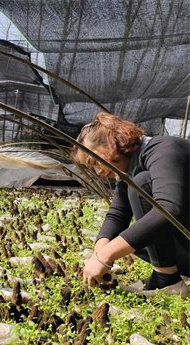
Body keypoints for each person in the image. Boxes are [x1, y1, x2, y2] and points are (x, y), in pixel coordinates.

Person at [75, 112, 189, 297]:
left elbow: (169, 209)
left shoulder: (165, 149)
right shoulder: (131, 170)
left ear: (111, 145)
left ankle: (168, 280)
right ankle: (162, 277)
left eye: (94, 162)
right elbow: (117, 214)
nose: (97, 171)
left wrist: (106, 255)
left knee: (141, 184)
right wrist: (100, 249)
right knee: (133, 237)